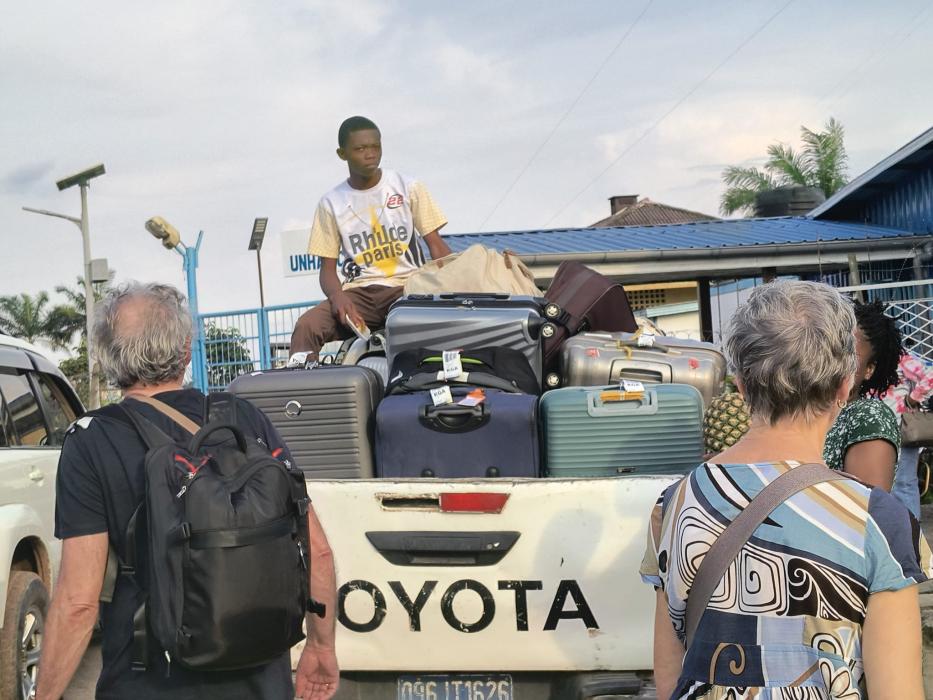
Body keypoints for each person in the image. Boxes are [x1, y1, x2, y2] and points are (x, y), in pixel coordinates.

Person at [36, 282, 339, 700]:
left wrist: (44, 694)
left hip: (148, 680)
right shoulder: (244, 418)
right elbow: (316, 550)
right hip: (260, 678)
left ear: (107, 356)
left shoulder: (92, 440)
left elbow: (78, 602)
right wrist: (321, 647)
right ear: (184, 349)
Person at [641, 280, 931, 700]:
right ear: (843, 386)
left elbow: (671, 676)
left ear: (741, 386)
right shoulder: (877, 521)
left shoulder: (674, 503)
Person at [290, 115, 451, 360]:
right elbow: (327, 270)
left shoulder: (408, 187)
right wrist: (338, 297)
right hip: (359, 295)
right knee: (307, 326)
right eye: (360, 149)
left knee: (440, 323)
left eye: (376, 146)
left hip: (406, 288)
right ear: (342, 154)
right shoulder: (330, 203)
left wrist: (454, 285)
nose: (370, 154)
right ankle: (301, 382)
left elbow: (437, 247)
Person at [823, 300, 902, 493]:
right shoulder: (809, 410)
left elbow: (867, 505)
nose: (834, 358)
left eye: (848, 353)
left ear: (869, 369)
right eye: (829, 347)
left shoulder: (868, 416)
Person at [882, 347, 933, 518]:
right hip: (882, 427)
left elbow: (931, 375)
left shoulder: (900, 357)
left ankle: (912, 530)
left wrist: (913, 398)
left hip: (901, 427)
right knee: (891, 484)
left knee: (903, 483)